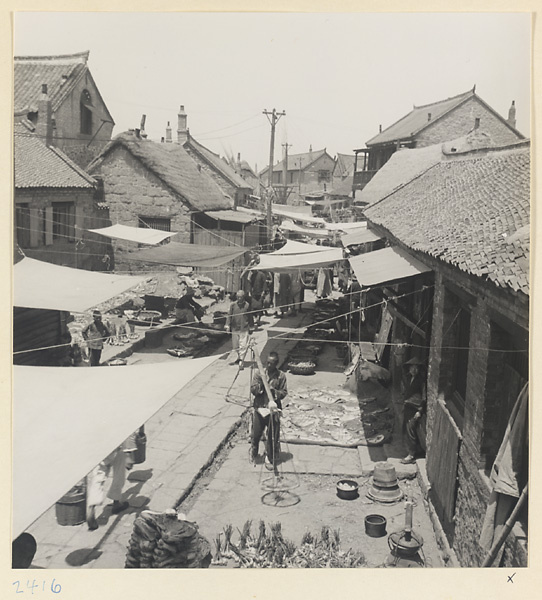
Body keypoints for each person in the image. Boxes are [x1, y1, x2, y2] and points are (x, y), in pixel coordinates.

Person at [86, 439, 136, 530]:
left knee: (98, 477)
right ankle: (116, 502)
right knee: (119, 475)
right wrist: (129, 454)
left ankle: (91, 507)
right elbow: (129, 434)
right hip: (117, 447)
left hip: (100, 447)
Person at [250, 351, 287, 469]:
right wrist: (262, 385)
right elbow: (253, 389)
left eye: (271, 363)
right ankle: (254, 452)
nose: (268, 365)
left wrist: (273, 392)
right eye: (267, 362)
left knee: (272, 436)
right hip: (260, 408)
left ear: (276, 364)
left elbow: (284, 392)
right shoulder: (259, 374)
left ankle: (269, 457)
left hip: (273, 411)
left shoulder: (281, 376)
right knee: (256, 434)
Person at [400, 357, 427, 464]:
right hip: (408, 406)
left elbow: (424, 397)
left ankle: (411, 455)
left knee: (410, 431)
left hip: (415, 408)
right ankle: (415, 449)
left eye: (416, 368)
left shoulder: (421, 381)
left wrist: (420, 411)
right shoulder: (408, 378)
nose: (414, 370)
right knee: (406, 430)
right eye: (412, 368)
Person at [226, 290, 253, 366]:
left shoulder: (247, 305)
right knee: (235, 346)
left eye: (240, 297)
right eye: (237, 297)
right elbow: (229, 315)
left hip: (244, 328)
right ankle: (239, 357)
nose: (239, 298)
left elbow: (250, 316)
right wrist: (227, 325)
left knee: (243, 345)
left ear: (243, 297)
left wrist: (251, 326)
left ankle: (241, 360)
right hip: (235, 328)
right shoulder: (233, 305)